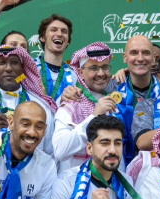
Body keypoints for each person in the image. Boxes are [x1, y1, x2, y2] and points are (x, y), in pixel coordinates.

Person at [53, 42, 133, 171]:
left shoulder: (119, 99)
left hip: (115, 180)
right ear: (81, 72)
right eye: (94, 68)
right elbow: (60, 151)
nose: (101, 73)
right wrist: (94, 116)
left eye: (105, 67)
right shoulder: (71, 102)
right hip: (77, 181)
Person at [107, 35, 160, 164]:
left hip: (158, 167)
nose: (140, 58)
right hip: (119, 164)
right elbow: (86, 88)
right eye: (134, 53)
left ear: (154, 58)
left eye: (146, 53)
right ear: (125, 57)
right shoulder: (111, 87)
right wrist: (72, 91)